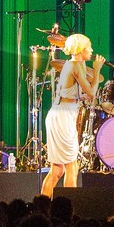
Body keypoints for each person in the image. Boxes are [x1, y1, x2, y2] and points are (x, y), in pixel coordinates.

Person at [42, 33, 101, 196]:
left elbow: (80, 94)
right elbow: (91, 93)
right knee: (71, 167)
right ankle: (68, 207)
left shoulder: (77, 64)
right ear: (81, 49)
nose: (92, 50)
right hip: (62, 117)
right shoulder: (75, 65)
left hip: (63, 114)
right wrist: (96, 71)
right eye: (89, 47)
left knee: (57, 170)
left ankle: (42, 205)